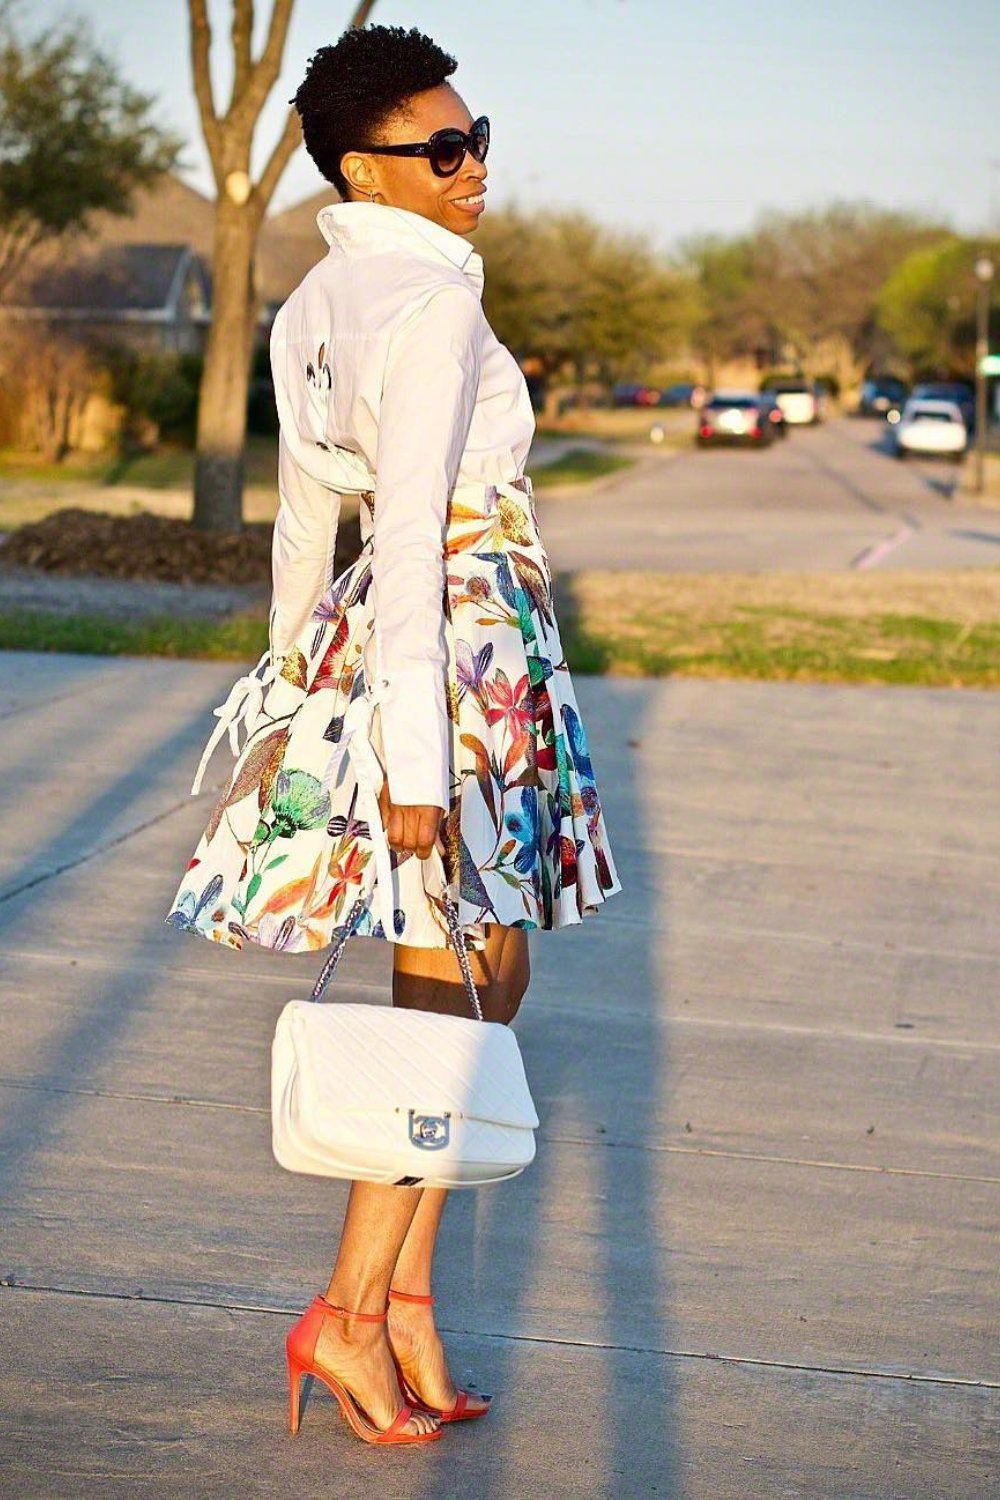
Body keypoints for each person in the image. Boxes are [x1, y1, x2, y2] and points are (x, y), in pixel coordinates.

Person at [164, 23, 622, 1447]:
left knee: (495, 965)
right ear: (371, 167)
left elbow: (310, 532)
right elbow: (406, 536)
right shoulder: (427, 309)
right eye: (443, 148)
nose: (472, 165)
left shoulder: (312, 307)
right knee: (449, 985)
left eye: (477, 136)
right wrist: (411, 770)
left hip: (422, 647)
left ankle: (402, 1300)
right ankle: (351, 1315)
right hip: (457, 651)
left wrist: (294, 688)